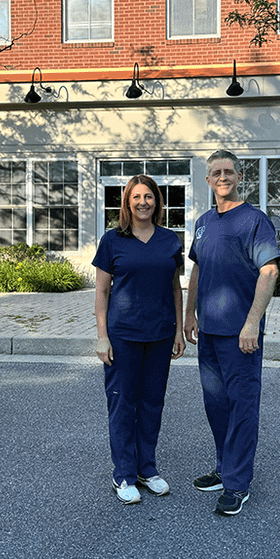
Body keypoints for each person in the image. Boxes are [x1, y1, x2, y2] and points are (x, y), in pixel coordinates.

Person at [184, 150, 280, 516]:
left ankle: (238, 483)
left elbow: (268, 272)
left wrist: (253, 321)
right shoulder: (205, 222)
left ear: (239, 177)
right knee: (216, 404)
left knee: (241, 405)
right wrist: (189, 314)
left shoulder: (254, 221)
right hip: (207, 331)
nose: (222, 177)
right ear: (208, 181)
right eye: (215, 173)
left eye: (228, 171)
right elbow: (196, 270)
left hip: (241, 334)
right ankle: (225, 468)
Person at [93, 174, 185, 505]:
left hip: (160, 335)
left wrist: (177, 330)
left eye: (149, 196)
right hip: (123, 336)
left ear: (157, 202)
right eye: (137, 197)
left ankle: (147, 469)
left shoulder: (169, 240)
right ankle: (124, 475)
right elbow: (102, 291)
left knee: (151, 403)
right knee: (122, 403)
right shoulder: (112, 240)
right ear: (127, 203)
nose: (143, 202)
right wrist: (102, 336)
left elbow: (175, 288)